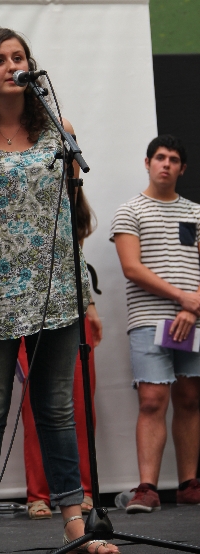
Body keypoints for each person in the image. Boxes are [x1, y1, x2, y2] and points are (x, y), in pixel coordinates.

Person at [0, 27, 119, 554]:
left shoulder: (59, 132)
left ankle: (75, 524)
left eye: (19, 56)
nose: (11, 65)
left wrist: (80, 292)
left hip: (55, 295)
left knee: (56, 408)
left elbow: (71, 216)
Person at [111, 134, 200, 512]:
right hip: (149, 320)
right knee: (151, 401)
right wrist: (183, 298)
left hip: (192, 320)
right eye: (160, 157)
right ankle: (146, 488)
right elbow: (132, 268)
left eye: (173, 159)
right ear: (147, 163)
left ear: (182, 168)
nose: (166, 164)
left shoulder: (196, 213)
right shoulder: (129, 211)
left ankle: (188, 484)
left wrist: (192, 307)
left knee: (190, 398)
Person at [19, 187, 102, 520]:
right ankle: (38, 494)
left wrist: (90, 305)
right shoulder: (18, 197)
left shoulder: (71, 196)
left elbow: (75, 258)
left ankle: (83, 490)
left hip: (70, 310)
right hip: (25, 311)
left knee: (80, 404)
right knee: (34, 406)